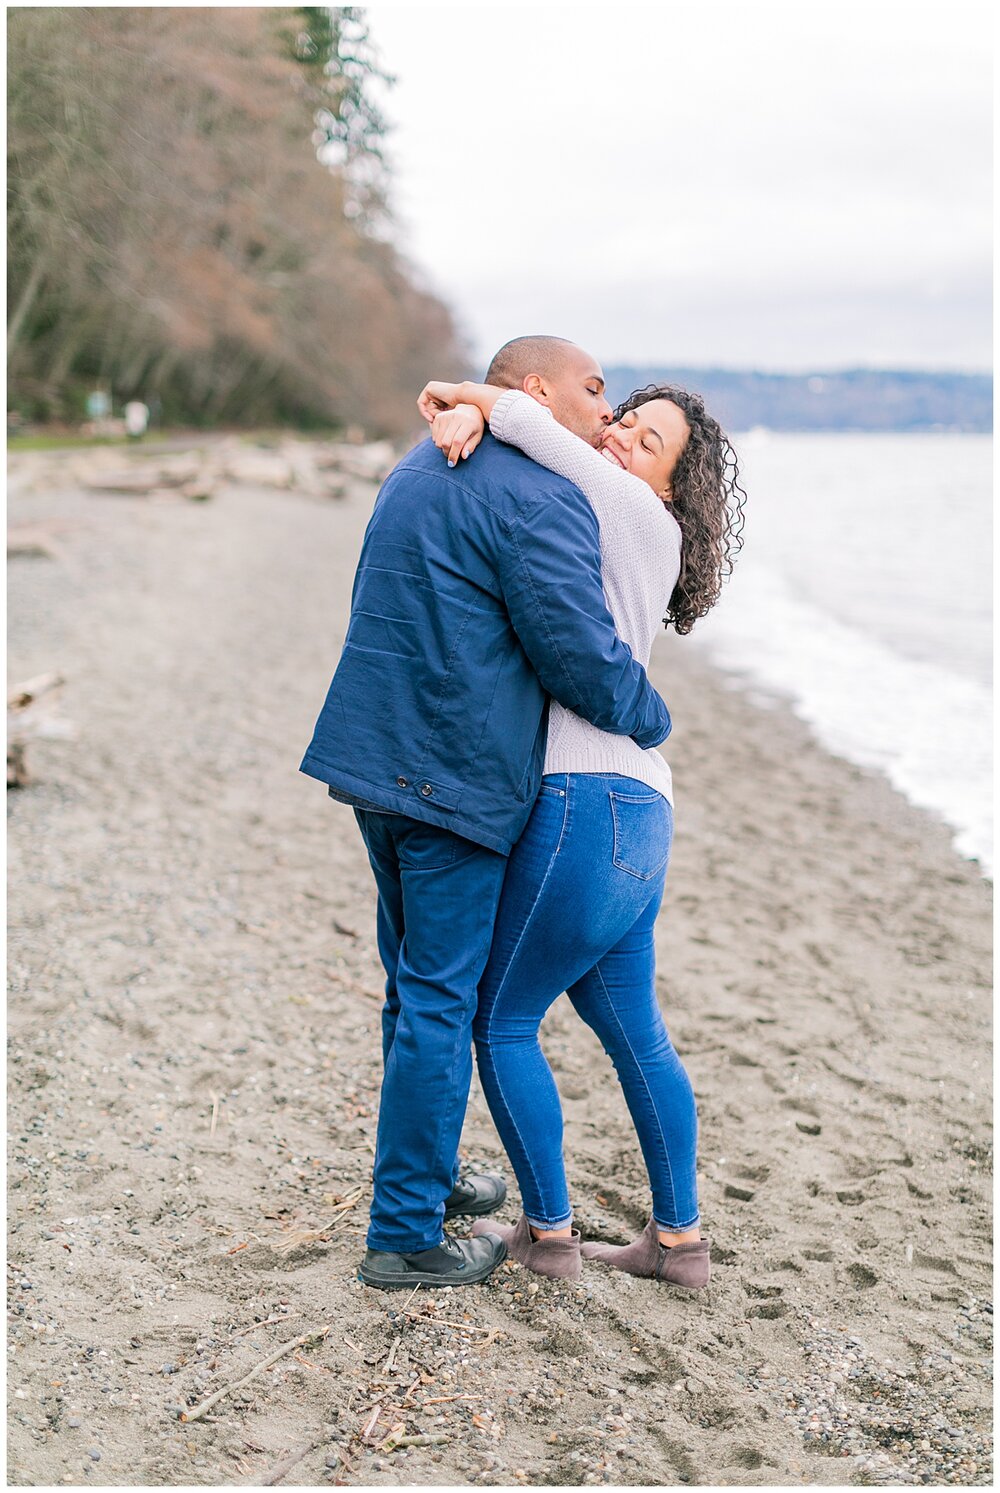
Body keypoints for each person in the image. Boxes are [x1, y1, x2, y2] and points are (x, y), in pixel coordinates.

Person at [300, 336, 674, 1290]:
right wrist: (653, 716)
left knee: (410, 988)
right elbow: (580, 659)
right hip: (452, 781)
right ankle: (404, 1235)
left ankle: (422, 1174)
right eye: (594, 389)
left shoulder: (415, 467)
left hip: (373, 764)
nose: (606, 409)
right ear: (536, 392)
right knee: (441, 1000)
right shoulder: (538, 494)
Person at [415, 371, 745, 1287]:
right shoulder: (611, 515)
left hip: (583, 802)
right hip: (640, 815)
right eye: (626, 423)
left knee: (500, 1019)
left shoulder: (640, 518)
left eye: (648, 444)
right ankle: (679, 1243)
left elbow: (540, 426)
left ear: (672, 486)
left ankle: (548, 1234)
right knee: (637, 1033)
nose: (621, 440)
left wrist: (467, 396)